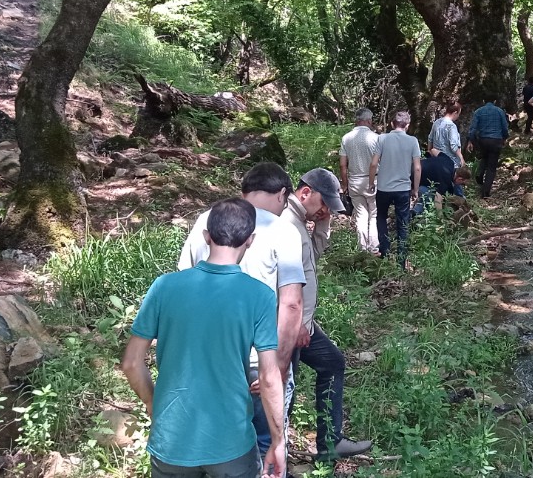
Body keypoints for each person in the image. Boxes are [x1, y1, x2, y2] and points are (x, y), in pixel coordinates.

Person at [124, 199, 285, 478]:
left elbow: (131, 363)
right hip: (232, 443)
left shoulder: (164, 287)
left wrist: (153, 403)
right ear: (250, 240)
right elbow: (270, 377)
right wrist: (278, 441)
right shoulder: (260, 296)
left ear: (206, 236)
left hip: (172, 440)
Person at [178, 163, 305, 460]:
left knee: (217, 445)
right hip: (259, 361)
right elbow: (291, 303)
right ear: (282, 195)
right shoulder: (284, 230)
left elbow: (184, 284)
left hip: (209, 361)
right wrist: (280, 365)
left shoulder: (204, 221)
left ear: (243, 191)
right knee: (268, 444)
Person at [281, 169, 373, 462]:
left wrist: (324, 223)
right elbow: (287, 287)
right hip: (287, 325)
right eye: (324, 203)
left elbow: (311, 260)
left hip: (300, 324)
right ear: (305, 192)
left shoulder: (299, 222)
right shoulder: (286, 225)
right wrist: (298, 325)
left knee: (332, 362)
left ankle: (330, 443)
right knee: (284, 393)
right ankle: (274, 456)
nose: (324, 210)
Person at [370, 111, 421, 268]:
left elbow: (373, 164)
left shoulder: (382, 138)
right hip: (403, 188)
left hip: (384, 187)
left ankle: (385, 251)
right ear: (407, 125)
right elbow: (417, 167)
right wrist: (415, 189)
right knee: (403, 221)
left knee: (381, 217)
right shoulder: (413, 141)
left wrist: (371, 182)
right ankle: (401, 259)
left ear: (392, 124)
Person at [339, 108, 379, 253]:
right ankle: (374, 248)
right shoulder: (376, 138)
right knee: (374, 214)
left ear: (357, 120)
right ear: (369, 120)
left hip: (355, 181)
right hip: (374, 181)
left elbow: (343, 164)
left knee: (361, 215)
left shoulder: (346, 138)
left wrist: (344, 184)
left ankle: (362, 248)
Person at [466, 96, 509, 199]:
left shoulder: (478, 111)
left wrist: (471, 140)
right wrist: (504, 138)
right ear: (494, 101)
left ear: (483, 101)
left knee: (484, 157)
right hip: (496, 140)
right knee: (491, 167)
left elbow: (473, 129)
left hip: (483, 140)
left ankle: (479, 174)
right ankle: (485, 192)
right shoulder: (499, 111)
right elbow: (504, 127)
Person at [427, 101, 465, 196]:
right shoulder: (451, 126)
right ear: (455, 112)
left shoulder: (437, 122)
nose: (458, 117)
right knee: (456, 184)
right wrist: (461, 158)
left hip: (436, 159)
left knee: (438, 184)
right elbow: (453, 145)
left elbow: (430, 138)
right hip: (450, 161)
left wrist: (429, 150)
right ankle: (461, 202)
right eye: (458, 114)